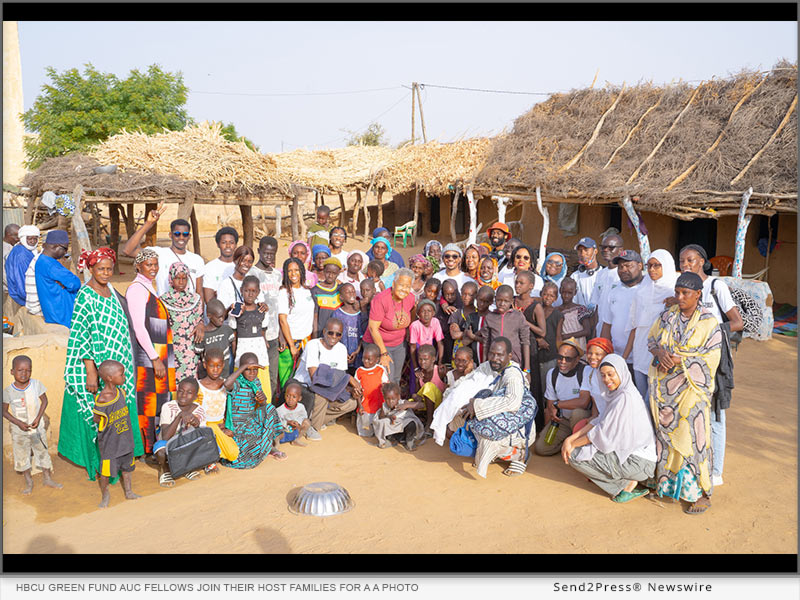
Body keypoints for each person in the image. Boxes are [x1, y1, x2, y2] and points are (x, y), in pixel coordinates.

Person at [59, 247, 144, 481]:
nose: (105, 273)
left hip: (119, 363)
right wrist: (90, 371)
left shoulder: (113, 293)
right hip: (98, 366)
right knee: (101, 415)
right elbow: (80, 334)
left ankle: (124, 456)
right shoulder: (85, 296)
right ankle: (102, 463)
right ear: (91, 269)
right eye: (100, 269)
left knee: (121, 411)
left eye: (109, 269)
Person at [647, 271, 721, 514]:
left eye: (685, 293)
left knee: (693, 435)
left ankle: (700, 492)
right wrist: (660, 354)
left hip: (692, 389)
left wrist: (681, 361)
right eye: (677, 292)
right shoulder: (667, 316)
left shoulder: (709, 322)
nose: (679, 297)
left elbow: (711, 357)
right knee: (666, 435)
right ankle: (667, 486)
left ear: (698, 294)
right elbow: (652, 341)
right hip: (665, 389)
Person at [677, 243, 743, 487]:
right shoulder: (683, 289)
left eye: (691, 260)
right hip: (688, 362)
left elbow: (737, 322)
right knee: (690, 412)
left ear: (703, 262)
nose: (686, 265)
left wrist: (711, 331)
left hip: (714, 361)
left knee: (715, 415)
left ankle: (715, 472)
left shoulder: (716, 286)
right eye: (682, 261)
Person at [563, 353, 656, 503]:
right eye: (603, 375)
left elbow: (601, 434)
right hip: (637, 459)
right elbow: (600, 420)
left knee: (575, 456)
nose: (606, 380)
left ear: (621, 372)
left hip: (639, 462)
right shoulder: (618, 394)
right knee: (583, 449)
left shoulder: (625, 397)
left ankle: (625, 486)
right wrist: (571, 438)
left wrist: (572, 444)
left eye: (611, 374)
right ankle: (627, 480)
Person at [457, 337, 537, 478]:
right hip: (503, 421)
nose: (495, 358)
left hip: (520, 430)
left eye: (500, 355)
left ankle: (520, 455)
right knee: (467, 418)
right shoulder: (492, 368)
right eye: (492, 354)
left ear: (509, 356)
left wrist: (476, 405)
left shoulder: (512, 375)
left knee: (488, 440)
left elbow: (512, 402)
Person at [126, 248, 177, 454]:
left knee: (161, 399)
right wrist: (155, 358)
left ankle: (160, 444)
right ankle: (147, 447)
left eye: (155, 264)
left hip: (160, 353)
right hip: (150, 356)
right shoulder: (137, 289)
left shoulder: (149, 287)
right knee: (148, 401)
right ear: (138, 266)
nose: (153, 268)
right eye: (149, 265)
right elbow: (139, 327)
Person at [3, 355, 62, 495]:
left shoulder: (36, 385)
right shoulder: (8, 392)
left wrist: (38, 418)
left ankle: (47, 478)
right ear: (12, 371)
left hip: (37, 429)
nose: (24, 374)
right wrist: (18, 423)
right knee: (22, 454)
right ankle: (29, 482)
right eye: (20, 370)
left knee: (42, 451)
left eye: (28, 370)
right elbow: (4, 411)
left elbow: (45, 401)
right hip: (19, 431)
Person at [623, 249, 678, 399]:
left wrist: (677, 301)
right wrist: (625, 357)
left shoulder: (675, 292)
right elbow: (634, 327)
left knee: (654, 400)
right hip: (640, 351)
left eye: (657, 266)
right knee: (640, 398)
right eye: (649, 266)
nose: (652, 270)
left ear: (666, 266)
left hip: (661, 355)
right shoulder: (641, 291)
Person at [121, 204, 205, 298]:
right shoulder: (158, 254)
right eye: (177, 234)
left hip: (189, 311)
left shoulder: (197, 260)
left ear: (189, 236)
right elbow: (128, 250)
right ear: (170, 235)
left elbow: (199, 292)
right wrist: (148, 224)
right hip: (164, 309)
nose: (181, 237)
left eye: (185, 234)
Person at [295, 318, 362, 432]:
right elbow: (315, 377)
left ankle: (311, 422)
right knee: (323, 392)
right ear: (324, 331)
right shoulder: (313, 345)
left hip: (328, 387)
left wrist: (351, 390)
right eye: (330, 333)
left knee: (351, 403)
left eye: (338, 334)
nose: (333, 337)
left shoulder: (341, 349)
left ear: (341, 336)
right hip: (306, 386)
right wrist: (349, 378)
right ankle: (314, 428)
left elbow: (339, 380)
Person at [222, 352, 286, 468]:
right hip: (238, 426)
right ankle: (267, 448)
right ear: (241, 369)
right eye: (248, 369)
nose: (252, 373)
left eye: (255, 369)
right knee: (248, 447)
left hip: (251, 421)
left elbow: (262, 406)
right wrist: (242, 368)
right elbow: (227, 384)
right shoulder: (237, 383)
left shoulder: (256, 382)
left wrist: (262, 402)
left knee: (269, 408)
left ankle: (273, 444)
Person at [92, 360, 140, 506]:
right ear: (110, 378)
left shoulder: (121, 392)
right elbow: (96, 419)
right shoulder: (103, 399)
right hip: (110, 444)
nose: (124, 376)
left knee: (127, 468)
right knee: (106, 472)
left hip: (125, 440)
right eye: (121, 374)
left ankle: (129, 492)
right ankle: (105, 495)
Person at [533, 337, 591, 456]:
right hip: (563, 420)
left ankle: (577, 445)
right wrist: (546, 428)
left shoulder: (586, 371)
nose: (562, 362)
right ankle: (567, 442)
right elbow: (550, 405)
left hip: (583, 420)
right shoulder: (552, 374)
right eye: (559, 357)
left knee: (577, 413)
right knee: (541, 448)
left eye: (568, 359)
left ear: (577, 360)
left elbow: (583, 402)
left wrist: (558, 405)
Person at [153, 377, 215, 486]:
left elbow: (202, 438)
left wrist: (197, 425)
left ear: (195, 396)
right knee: (160, 450)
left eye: (189, 393)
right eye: (181, 391)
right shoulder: (168, 406)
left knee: (213, 445)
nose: (183, 395)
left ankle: (188, 468)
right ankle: (165, 470)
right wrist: (179, 416)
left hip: (187, 445)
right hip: (169, 444)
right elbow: (166, 437)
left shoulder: (199, 410)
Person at [364, 268, 415, 383]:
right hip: (379, 344)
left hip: (399, 344)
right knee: (387, 379)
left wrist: (407, 333)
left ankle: (394, 401)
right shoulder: (381, 299)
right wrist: (383, 353)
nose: (404, 289)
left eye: (407, 286)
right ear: (393, 284)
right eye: (401, 285)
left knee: (396, 378)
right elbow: (373, 328)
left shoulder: (410, 298)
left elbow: (412, 312)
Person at [248, 236, 282, 398]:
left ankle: (268, 411)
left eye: (272, 253)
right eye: (266, 253)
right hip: (257, 336)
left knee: (272, 377)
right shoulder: (252, 274)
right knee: (256, 376)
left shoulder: (277, 275)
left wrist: (281, 333)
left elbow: (280, 306)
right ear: (259, 251)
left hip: (274, 334)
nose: (269, 257)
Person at [600, 250, 645, 369]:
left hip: (641, 358)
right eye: (620, 266)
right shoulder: (614, 291)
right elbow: (607, 324)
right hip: (617, 357)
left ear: (640, 266)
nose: (623, 270)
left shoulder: (647, 289)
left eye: (628, 265)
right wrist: (603, 352)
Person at [160, 262, 204, 382]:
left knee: (190, 385)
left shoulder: (195, 299)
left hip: (191, 352)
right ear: (171, 279)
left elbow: (199, 319)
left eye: (184, 278)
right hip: (172, 352)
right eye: (177, 278)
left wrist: (200, 324)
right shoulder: (163, 301)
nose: (181, 282)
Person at [277, 257, 317, 387]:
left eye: (296, 270)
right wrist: (292, 346)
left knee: (302, 381)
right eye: (290, 271)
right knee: (287, 381)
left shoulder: (307, 291)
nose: (293, 274)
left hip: (306, 342)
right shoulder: (283, 292)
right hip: (291, 344)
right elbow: (282, 320)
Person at [197, 348, 240, 463]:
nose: (215, 370)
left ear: (223, 365)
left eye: (219, 366)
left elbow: (228, 409)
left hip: (220, 425)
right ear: (205, 365)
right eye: (212, 366)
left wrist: (226, 426)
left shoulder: (225, 384)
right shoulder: (198, 386)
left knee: (233, 453)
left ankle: (216, 451)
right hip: (204, 426)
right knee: (211, 430)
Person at [477, 284, 531, 376]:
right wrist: (484, 364)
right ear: (495, 299)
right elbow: (486, 343)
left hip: (514, 361)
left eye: (506, 301)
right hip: (494, 362)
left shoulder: (518, 316)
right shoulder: (490, 317)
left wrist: (527, 369)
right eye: (499, 300)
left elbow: (525, 342)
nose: (502, 304)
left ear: (511, 301)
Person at [232, 276, 272, 398]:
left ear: (258, 292)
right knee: (241, 381)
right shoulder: (237, 309)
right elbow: (234, 334)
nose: (250, 294)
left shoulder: (262, 310)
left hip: (259, 351)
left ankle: (263, 411)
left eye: (253, 291)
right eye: (247, 290)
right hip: (242, 351)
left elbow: (263, 330)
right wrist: (235, 352)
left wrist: (264, 342)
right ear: (241, 290)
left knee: (262, 382)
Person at [34, 230, 82, 329]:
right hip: (61, 314)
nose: (65, 253)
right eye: (64, 249)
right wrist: (69, 282)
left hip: (53, 312)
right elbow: (75, 283)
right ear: (55, 246)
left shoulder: (42, 260)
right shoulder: (51, 265)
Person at [373, 382, 425, 451]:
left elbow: (422, 405)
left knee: (411, 422)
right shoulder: (384, 406)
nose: (391, 401)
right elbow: (380, 418)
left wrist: (406, 405)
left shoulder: (403, 403)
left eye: (393, 399)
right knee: (383, 422)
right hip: (393, 432)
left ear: (398, 397)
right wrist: (389, 417)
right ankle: (392, 440)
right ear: (384, 398)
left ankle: (409, 441)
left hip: (404, 430)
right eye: (388, 399)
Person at [589, 233, 624, 336]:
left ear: (620, 250)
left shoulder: (624, 275)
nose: (605, 250)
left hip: (618, 332)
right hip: (600, 330)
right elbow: (597, 306)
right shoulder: (600, 274)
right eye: (603, 247)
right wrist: (594, 332)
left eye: (611, 247)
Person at [194, 299, 236, 379]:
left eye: (223, 316)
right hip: (208, 376)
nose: (222, 319)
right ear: (209, 316)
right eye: (219, 317)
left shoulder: (227, 330)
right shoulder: (202, 335)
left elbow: (233, 342)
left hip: (225, 375)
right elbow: (199, 355)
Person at [354, 344, 389, 438]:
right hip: (365, 406)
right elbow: (357, 392)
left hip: (379, 406)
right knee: (366, 433)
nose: (365, 361)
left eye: (369, 359)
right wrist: (360, 406)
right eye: (364, 358)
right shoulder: (359, 371)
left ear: (377, 359)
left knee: (380, 429)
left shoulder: (380, 369)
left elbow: (386, 387)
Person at [579, 337, 615, 420]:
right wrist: (593, 418)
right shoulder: (589, 371)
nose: (592, 357)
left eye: (598, 354)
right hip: (600, 417)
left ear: (608, 355)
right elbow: (595, 400)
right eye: (590, 353)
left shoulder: (613, 375)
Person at [536, 281, 563, 387]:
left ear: (556, 298)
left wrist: (559, 356)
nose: (548, 298)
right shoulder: (535, 310)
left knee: (548, 385)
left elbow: (558, 337)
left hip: (550, 355)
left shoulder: (558, 315)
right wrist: (538, 340)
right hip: (534, 354)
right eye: (545, 294)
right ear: (541, 294)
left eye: (552, 296)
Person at [5, 224, 40, 307]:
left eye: (35, 239)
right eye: (29, 238)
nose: (33, 241)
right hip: (23, 297)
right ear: (23, 238)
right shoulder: (22, 255)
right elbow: (21, 283)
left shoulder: (22, 249)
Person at [203, 227, 239, 302]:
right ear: (218, 244)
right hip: (218, 312)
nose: (228, 246)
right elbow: (209, 300)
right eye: (224, 242)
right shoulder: (209, 268)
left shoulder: (241, 267)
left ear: (236, 245)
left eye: (231, 242)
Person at [332, 283, 362, 371]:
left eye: (353, 291)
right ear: (341, 297)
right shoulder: (337, 313)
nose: (352, 294)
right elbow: (334, 336)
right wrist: (343, 353)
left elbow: (362, 336)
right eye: (348, 292)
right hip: (340, 354)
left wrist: (357, 351)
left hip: (357, 354)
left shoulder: (360, 314)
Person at [276, 380, 316, 446]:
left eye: (294, 397)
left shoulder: (301, 407)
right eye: (288, 396)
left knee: (307, 422)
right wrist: (287, 423)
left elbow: (304, 416)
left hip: (296, 430)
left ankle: (296, 440)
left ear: (299, 398)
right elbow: (276, 423)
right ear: (284, 396)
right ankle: (276, 446)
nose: (290, 399)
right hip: (284, 433)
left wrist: (298, 424)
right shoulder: (280, 410)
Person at [463, 285, 495, 364]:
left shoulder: (493, 318)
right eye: (480, 300)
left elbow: (490, 342)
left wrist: (473, 336)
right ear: (476, 298)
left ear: (491, 302)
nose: (481, 303)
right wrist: (474, 337)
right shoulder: (471, 317)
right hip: (472, 360)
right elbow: (465, 341)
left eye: (486, 301)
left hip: (489, 360)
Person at [311, 257, 343, 337]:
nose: (330, 276)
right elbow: (315, 316)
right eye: (328, 272)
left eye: (334, 273)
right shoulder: (316, 290)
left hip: (338, 334)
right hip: (321, 332)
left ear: (338, 273)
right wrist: (315, 335)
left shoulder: (341, 289)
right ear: (324, 271)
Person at [448, 281, 479, 365]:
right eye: (464, 294)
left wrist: (463, 334)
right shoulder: (456, 313)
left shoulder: (479, 313)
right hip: (459, 352)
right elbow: (454, 334)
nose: (466, 297)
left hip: (475, 352)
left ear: (476, 296)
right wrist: (472, 335)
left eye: (470, 295)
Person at [558, 277, 594, 348]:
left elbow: (587, 331)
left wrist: (566, 336)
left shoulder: (580, 309)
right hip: (562, 346)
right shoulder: (557, 310)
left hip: (578, 346)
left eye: (570, 293)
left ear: (575, 292)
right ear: (560, 291)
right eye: (564, 292)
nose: (566, 296)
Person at [409, 299, 445, 369]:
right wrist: (416, 367)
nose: (426, 314)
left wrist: (440, 361)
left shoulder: (435, 322)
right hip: (417, 349)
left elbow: (440, 343)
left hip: (430, 349)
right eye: (423, 311)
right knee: (417, 374)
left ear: (433, 313)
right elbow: (413, 347)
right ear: (418, 314)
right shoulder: (415, 325)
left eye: (429, 311)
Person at [572, 237, 604, 308]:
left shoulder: (604, 274)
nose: (582, 254)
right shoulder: (575, 276)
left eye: (586, 250)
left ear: (595, 251)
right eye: (580, 251)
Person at [3, 223, 20, 299]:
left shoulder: (11, 247)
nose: (19, 239)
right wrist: (16, 288)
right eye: (16, 236)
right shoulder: (6, 250)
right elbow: (4, 275)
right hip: (8, 291)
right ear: (8, 235)